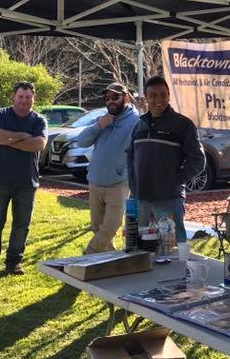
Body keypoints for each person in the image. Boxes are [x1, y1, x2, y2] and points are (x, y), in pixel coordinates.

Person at [0, 82, 48, 280]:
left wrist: (10, 140)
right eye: (20, 96)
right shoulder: (1, 114)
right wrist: (23, 137)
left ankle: (14, 262)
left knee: (22, 225)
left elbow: (39, 144)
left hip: (27, 182)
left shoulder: (39, 120)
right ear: (14, 97)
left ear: (33, 98)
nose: (24, 100)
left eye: (28, 97)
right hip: (0, 179)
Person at [127, 75, 205, 243]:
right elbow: (130, 156)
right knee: (140, 249)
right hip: (140, 199)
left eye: (163, 94)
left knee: (172, 250)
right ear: (146, 98)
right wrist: (133, 185)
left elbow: (198, 160)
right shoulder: (139, 125)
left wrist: (175, 180)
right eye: (153, 95)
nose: (158, 99)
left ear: (169, 96)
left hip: (169, 199)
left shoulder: (183, 125)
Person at [77, 83, 139, 253]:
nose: (110, 101)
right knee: (98, 228)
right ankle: (108, 262)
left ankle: (88, 255)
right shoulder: (103, 119)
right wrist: (98, 126)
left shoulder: (135, 121)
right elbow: (81, 141)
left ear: (125, 97)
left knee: (111, 227)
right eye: (107, 98)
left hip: (118, 184)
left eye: (115, 97)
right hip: (95, 182)